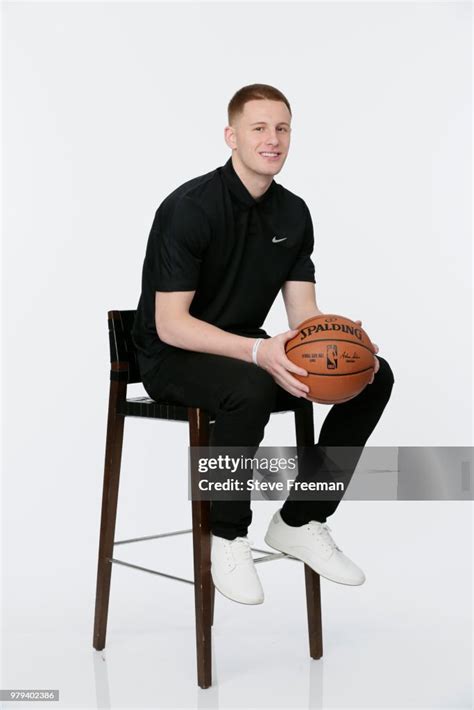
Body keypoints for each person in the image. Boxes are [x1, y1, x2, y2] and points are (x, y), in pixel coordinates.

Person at [132, 83, 395, 605]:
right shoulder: (189, 208)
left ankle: (301, 517)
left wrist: (339, 338)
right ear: (232, 136)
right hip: (171, 358)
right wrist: (258, 352)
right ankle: (225, 534)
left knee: (373, 376)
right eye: (259, 128)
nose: (272, 139)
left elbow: (302, 316)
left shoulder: (293, 214)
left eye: (282, 128)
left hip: (247, 353)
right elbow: (171, 325)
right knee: (249, 386)